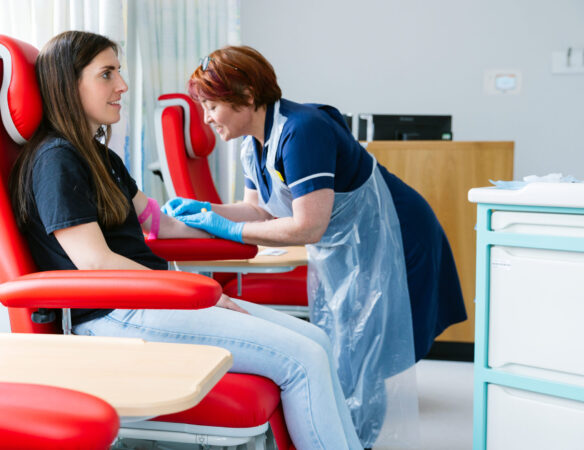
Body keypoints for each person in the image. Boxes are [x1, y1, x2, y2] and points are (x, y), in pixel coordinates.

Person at [8, 31, 363, 450]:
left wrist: (210, 219)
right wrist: (193, 292)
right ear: (68, 84)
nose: (122, 85)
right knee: (303, 361)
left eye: (119, 72)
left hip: (149, 302)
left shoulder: (102, 158)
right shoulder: (56, 160)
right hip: (112, 313)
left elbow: (158, 224)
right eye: (107, 74)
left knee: (317, 341)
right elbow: (95, 263)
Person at [167, 45, 467, 445]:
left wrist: (228, 229)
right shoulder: (251, 143)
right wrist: (206, 210)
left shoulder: (301, 130)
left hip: (395, 235)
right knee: (344, 349)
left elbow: (307, 227)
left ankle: (357, 441)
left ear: (247, 97)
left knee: (365, 358)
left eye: (211, 106)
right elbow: (257, 211)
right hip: (347, 244)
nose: (205, 118)